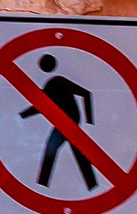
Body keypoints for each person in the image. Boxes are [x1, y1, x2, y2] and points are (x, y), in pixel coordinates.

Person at [19, 52, 97, 190]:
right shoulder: (52, 85)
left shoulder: (57, 82)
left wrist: (89, 121)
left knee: (52, 148)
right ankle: (92, 185)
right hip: (66, 123)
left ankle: (42, 185)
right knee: (75, 152)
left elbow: (86, 94)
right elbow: (40, 106)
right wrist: (22, 115)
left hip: (67, 123)